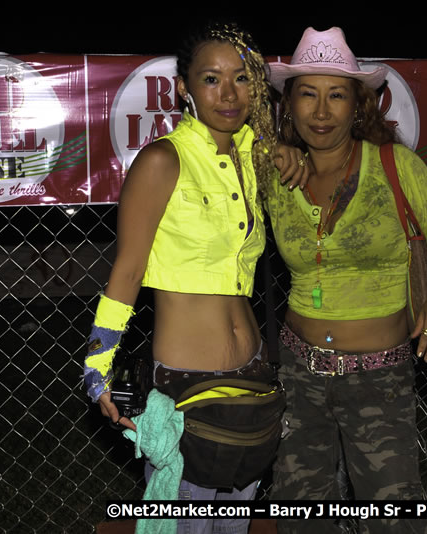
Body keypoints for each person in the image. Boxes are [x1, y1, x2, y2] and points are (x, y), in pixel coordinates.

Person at [83, 22, 307, 534]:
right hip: (187, 390)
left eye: (242, 79)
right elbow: (129, 270)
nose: (229, 94)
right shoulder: (163, 160)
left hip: (251, 379)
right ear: (183, 87)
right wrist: (97, 366)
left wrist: (288, 152)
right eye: (211, 79)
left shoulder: (255, 158)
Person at [265, 27, 427, 533]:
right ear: (288, 104)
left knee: (394, 516)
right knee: (298, 516)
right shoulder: (272, 174)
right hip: (296, 374)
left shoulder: (394, 164)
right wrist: (269, 149)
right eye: (307, 93)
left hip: (378, 378)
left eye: (336, 95)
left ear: (359, 105)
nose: (320, 110)